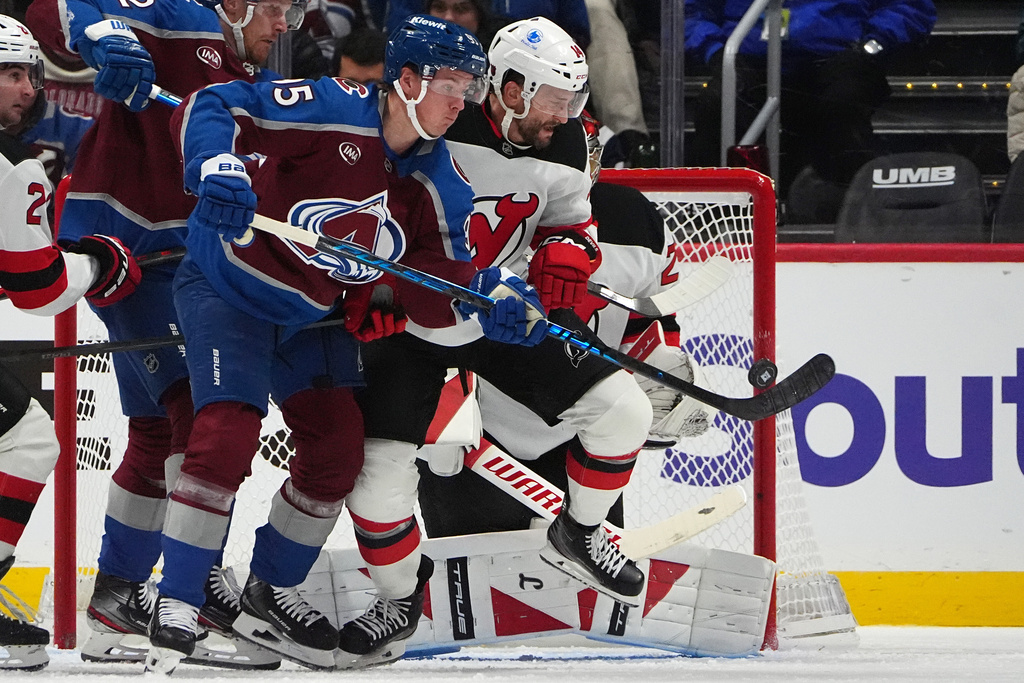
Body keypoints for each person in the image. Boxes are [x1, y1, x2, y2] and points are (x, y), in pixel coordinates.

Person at [160, 14, 538, 673]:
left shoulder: (438, 182)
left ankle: (267, 590)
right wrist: (216, 161)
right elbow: (212, 101)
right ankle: (182, 600)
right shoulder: (331, 107)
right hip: (229, 284)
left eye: (471, 91)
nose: (463, 105)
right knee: (225, 430)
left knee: (336, 455)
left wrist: (490, 299)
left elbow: (439, 283)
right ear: (410, 81)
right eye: (454, 87)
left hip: (312, 315)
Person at [333, 16, 652, 667]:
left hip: (499, 313)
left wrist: (567, 251)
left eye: (572, 101)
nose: (566, 116)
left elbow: (570, 222)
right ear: (507, 87)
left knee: (624, 411)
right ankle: (398, 598)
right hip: (412, 320)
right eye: (554, 99)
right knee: (374, 481)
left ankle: (581, 532)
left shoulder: (562, 142)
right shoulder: (441, 120)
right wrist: (375, 290)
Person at [51, 0, 301, 667]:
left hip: (175, 257)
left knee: (158, 428)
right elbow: (68, 6)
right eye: (277, 9)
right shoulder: (181, 15)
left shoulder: (240, 72)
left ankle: (117, 597)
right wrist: (104, 37)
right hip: (132, 251)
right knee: (198, 410)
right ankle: (195, 598)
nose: (284, 27)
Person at [418, 110, 710, 538]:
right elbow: (438, 309)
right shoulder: (495, 208)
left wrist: (660, 367)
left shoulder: (637, 221)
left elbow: (649, 319)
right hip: (479, 427)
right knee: (466, 581)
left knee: (585, 582)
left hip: (583, 426)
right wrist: (438, 387)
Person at [0, 13, 139, 670]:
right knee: (28, 440)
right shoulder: (14, 166)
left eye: (29, 74)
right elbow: (38, 288)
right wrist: (100, 261)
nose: (25, 89)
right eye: (7, 75)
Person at [686, 0, 936, 208]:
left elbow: (911, 5)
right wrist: (716, 51)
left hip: (840, 57)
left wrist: (871, 47)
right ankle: (720, 217)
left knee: (841, 104)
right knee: (716, 106)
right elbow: (688, 10)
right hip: (748, 58)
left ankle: (848, 212)